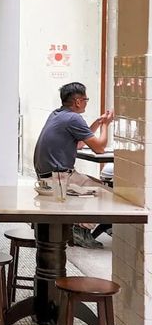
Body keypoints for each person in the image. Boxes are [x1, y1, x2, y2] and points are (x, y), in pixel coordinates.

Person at [33, 81, 114, 248]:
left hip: (49, 177)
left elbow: (79, 143)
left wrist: (98, 123)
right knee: (105, 193)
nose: (86, 102)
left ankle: (88, 226)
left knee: (97, 185)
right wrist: (106, 125)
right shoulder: (73, 118)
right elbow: (99, 148)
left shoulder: (57, 114)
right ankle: (81, 229)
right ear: (78, 101)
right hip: (59, 179)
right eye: (86, 99)